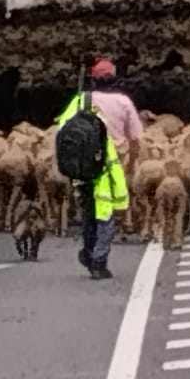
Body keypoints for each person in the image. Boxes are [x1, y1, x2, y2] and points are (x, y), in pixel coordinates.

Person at [54, 57, 142, 280]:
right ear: (114, 80)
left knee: (88, 212)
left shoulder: (81, 100)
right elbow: (136, 139)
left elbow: (63, 129)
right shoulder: (123, 103)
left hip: (83, 167)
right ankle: (99, 260)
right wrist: (131, 164)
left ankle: (88, 250)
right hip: (109, 168)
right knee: (106, 215)